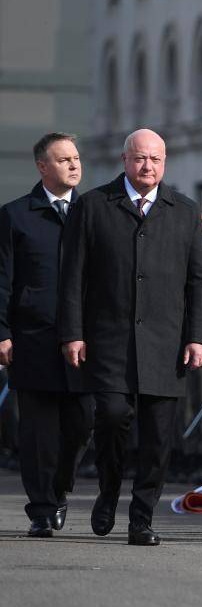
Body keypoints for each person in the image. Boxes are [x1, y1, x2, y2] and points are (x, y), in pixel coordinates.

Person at [59, 128, 202, 547]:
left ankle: (141, 518)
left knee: (159, 438)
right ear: (125, 160)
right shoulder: (93, 206)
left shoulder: (184, 210)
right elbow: (72, 276)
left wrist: (199, 337)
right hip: (109, 341)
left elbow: (199, 281)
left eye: (156, 159)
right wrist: (73, 333)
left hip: (166, 344)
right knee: (111, 418)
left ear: (165, 163)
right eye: (141, 158)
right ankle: (108, 491)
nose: (148, 166)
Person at [0, 133, 91, 538]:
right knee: (38, 431)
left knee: (82, 422)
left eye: (76, 158)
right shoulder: (16, 215)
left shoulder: (92, 212)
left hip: (85, 340)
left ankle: (58, 488)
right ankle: (41, 508)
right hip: (33, 337)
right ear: (42, 167)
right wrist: (2, 333)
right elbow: (2, 280)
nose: (73, 165)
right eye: (63, 159)